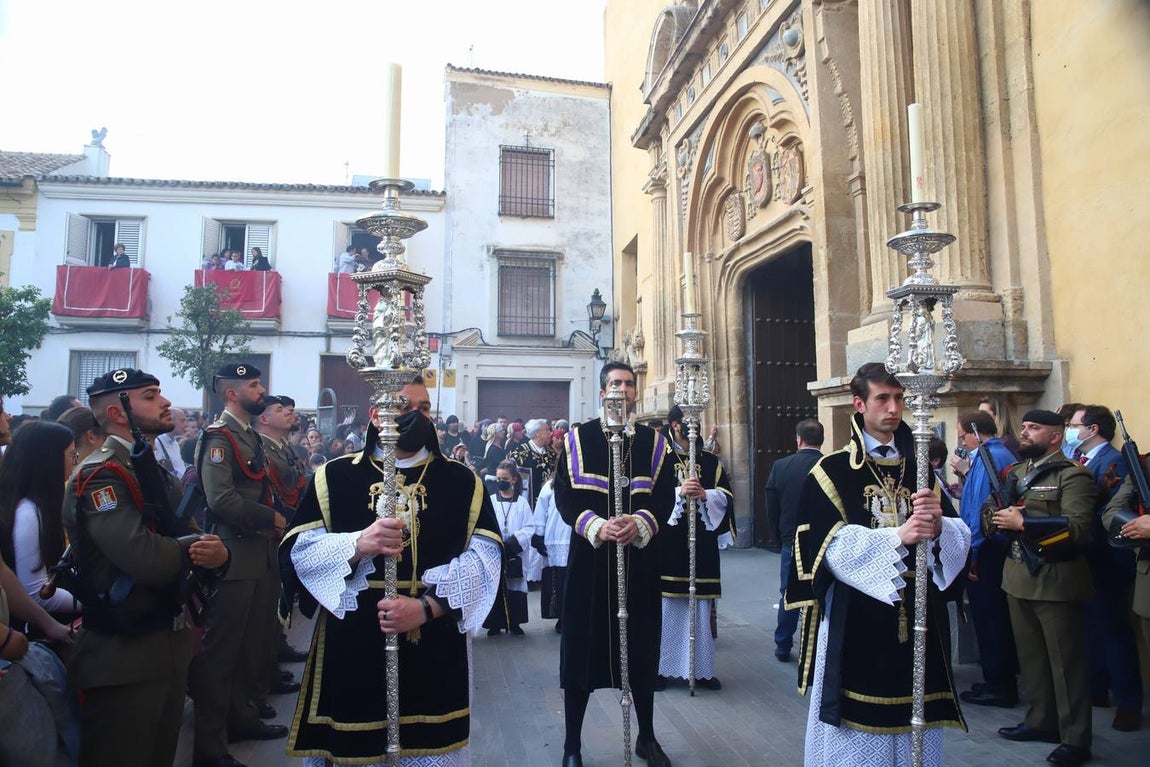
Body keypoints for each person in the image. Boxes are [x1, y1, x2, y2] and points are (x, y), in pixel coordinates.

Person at [280, 376, 503, 766]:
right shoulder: (334, 477)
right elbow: (300, 552)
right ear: (374, 414)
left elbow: (484, 559)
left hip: (433, 642)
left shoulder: (461, 481)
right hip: (352, 640)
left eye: (424, 409)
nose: (416, 416)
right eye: (404, 407)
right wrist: (357, 544)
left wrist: (428, 607)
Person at [785, 363, 970, 766]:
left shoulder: (920, 467)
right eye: (883, 399)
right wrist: (896, 537)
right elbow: (824, 544)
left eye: (899, 398)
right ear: (858, 404)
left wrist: (939, 527)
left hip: (919, 606)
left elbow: (956, 530)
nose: (893, 408)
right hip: (859, 612)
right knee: (859, 720)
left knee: (917, 710)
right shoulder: (831, 471)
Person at [63, 368, 230, 767]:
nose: (166, 402)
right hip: (122, 655)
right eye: (150, 395)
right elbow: (146, 559)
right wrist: (199, 547)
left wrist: (218, 555)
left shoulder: (146, 467)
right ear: (118, 412)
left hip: (163, 646)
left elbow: (187, 533)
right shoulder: (103, 474)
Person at [553, 361, 677, 767]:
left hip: (638, 564)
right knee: (581, 652)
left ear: (635, 392)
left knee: (640, 650)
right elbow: (565, 499)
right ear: (603, 392)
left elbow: (664, 498)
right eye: (614, 384)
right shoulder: (577, 440)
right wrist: (598, 526)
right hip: (590, 565)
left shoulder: (654, 443)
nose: (622, 390)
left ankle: (647, 736)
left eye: (628, 384)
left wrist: (640, 522)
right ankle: (573, 744)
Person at [191, 363, 289, 767]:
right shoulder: (219, 437)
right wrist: (271, 519)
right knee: (223, 653)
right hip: (234, 554)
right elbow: (221, 500)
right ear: (231, 393)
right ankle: (210, 747)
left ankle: (242, 718)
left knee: (252, 645)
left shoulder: (249, 435)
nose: (260, 388)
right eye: (253, 384)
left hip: (258, 552)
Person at [988, 409, 1095, 767]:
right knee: (1031, 658)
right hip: (1018, 577)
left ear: (1055, 436)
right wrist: (996, 516)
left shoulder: (1072, 476)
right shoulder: (1017, 473)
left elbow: (1078, 529)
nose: (1025, 432)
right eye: (1024, 427)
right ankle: (1040, 721)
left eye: (1034, 428)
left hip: (1056, 579)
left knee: (1066, 664)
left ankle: (1076, 738)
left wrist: (1026, 522)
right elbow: (996, 510)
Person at [1068, 405, 1142, 731]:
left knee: (1114, 632)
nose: (1071, 429)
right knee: (1092, 629)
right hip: (1084, 558)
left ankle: (1128, 704)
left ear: (1093, 429)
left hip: (1109, 559)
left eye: (1074, 424)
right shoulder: (1080, 461)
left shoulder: (1115, 461)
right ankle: (1096, 689)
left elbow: (1113, 513)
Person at [655, 405, 733, 691]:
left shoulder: (710, 461)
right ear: (675, 425)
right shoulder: (660, 459)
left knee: (700, 606)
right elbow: (650, 497)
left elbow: (725, 494)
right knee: (667, 605)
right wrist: (678, 492)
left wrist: (706, 494)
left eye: (698, 421)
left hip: (701, 544)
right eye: (690, 422)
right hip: (669, 543)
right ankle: (661, 669)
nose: (696, 427)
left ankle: (701, 669)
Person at [953, 411, 1021, 709]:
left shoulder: (988, 457)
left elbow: (982, 514)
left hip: (987, 551)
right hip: (992, 548)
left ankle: (999, 685)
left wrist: (973, 553)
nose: (962, 441)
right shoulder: (998, 454)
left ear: (974, 432)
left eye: (963, 435)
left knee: (990, 620)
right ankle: (996, 678)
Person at [0, 420, 79, 617]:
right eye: (71, 455)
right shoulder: (28, 514)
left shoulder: (38, 506)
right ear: (49, 461)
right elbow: (38, 593)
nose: (75, 461)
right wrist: (98, 604)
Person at [765, 417, 823, 662]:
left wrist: (777, 535)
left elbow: (771, 505)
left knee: (788, 593)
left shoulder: (781, 466)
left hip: (792, 539)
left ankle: (782, 644)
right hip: (823, 540)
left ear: (798, 439)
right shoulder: (830, 465)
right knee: (822, 592)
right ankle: (820, 643)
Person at [484, 461, 537, 636]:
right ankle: (495, 622)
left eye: (505, 478)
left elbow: (529, 527)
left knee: (514, 585)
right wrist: (497, 542)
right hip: (496, 550)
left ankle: (515, 622)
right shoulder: (491, 501)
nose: (501, 481)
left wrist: (512, 543)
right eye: (498, 478)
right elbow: (487, 525)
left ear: (513, 479)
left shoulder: (522, 503)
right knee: (496, 585)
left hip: (515, 552)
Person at [508, 418, 556, 506]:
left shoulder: (551, 453)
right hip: (527, 503)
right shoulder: (520, 453)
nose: (550, 433)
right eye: (546, 430)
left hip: (549, 501)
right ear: (537, 433)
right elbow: (511, 478)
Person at [153, 406, 188, 477]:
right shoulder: (157, 443)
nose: (186, 425)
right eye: (182, 421)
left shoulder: (175, 443)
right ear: (170, 420)